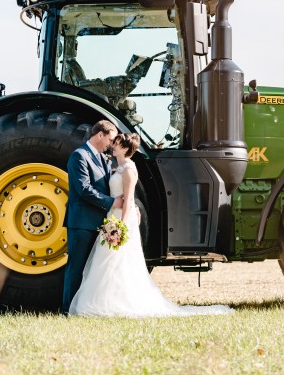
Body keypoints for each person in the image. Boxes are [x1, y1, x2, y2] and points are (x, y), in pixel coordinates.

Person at [69, 133, 233, 317]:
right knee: (107, 261)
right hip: (112, 216)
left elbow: (130, 198)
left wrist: (121, 226)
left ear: (124, 148)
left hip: (119, 220)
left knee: (118, 261)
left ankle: (115, 302)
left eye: (115, 144)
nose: (112, 146)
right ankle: (103, 300)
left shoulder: (129, 169)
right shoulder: (117, 167)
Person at [62, 119, 123, 315]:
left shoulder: (101, 158)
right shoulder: (79, 156)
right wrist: (112, 203)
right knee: (76, 268)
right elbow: (84, 190)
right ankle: (68, 310)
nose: (111, 144)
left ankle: (86, 308)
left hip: (100, 222)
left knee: (94, 270)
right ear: (100, 135)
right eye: (110, 139)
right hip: (81, 223)